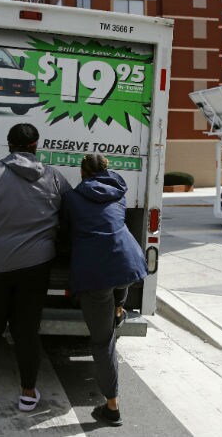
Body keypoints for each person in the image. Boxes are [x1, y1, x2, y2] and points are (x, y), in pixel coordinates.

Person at [0, 123, 71, 414]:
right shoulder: (54, 177)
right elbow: (69, 215)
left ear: (9, 144)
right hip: (35, 266)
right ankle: (28, 394)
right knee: (27, 332)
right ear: (36, 145)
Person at [61, 154, 148, 427]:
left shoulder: (72, 198)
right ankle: (119, 307)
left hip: (97, 271)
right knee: (119, 282)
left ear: (82, 172)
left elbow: (64, 231)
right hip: (129, 260)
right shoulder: (119, 192)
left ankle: (112, 406)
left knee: (102, 341)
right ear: (107, 169)